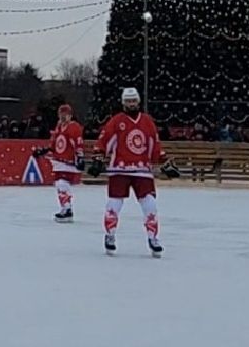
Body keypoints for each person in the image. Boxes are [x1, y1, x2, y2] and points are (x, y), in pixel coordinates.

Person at [97, 87, 165, 256]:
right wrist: (98, 156)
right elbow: (105, 140)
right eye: (128, 101)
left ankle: (153, 237)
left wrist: (163, 160)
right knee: (114, 203)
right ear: (123, 102)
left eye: (133, 100)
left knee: (150, 203)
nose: (131, 104)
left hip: (142, 170)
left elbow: (154, 144)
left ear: (138, 101)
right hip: (119, 168)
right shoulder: (116, 121)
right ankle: (110, 235)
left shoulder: (147, 121)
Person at [37, 102, 86, 223]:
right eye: (61, 114)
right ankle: (66, 208)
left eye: (66, 114)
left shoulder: (74, 127)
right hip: (58, 161)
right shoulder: (59, 126)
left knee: (62, 184)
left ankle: (67, 209)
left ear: (70, 115)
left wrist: (79, 156)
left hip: (68, 161)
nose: (64, 117)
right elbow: (54, 143)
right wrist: (45, 150)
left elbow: (78, 142)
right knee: (61, 185)